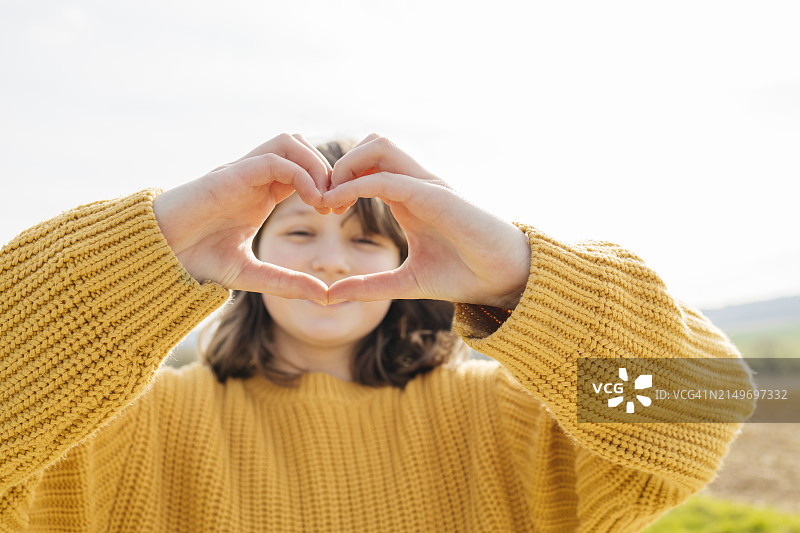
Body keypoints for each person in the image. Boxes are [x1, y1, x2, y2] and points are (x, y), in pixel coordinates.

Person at [0, 133, 753, 532]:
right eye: (298, 232)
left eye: (366, 240)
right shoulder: (131, 432)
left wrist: (521, 279)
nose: (330, 259)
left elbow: (708, 400)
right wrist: (147, 252)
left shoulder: (508, 423)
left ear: (412, 268)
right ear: (249, 252)